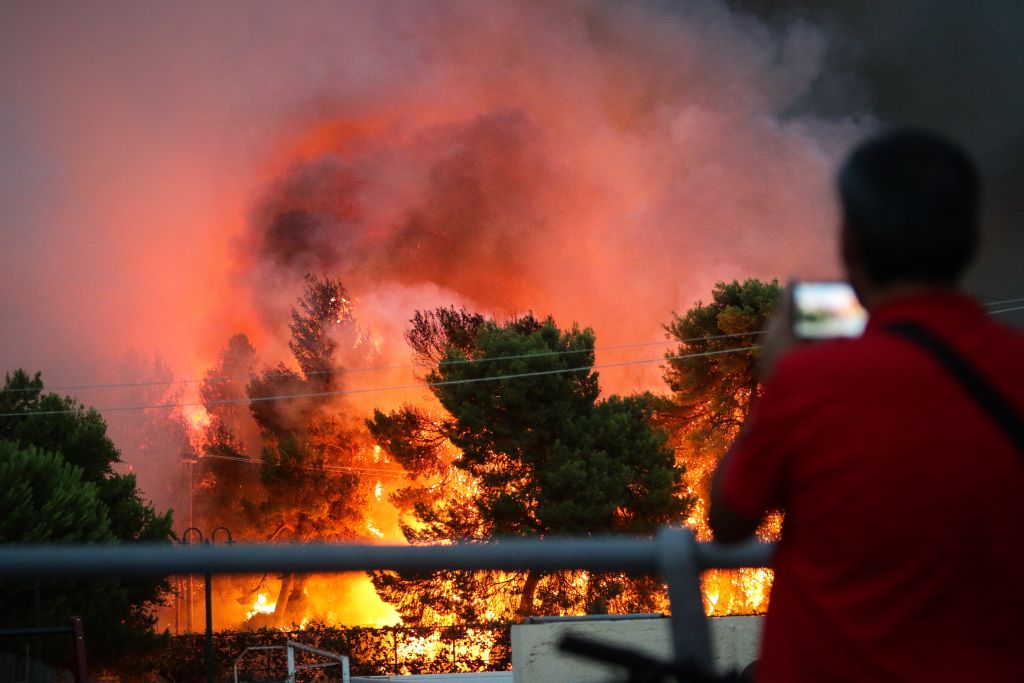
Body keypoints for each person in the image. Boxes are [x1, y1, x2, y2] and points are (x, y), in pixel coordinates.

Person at [709, 129, 1024, 682]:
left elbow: (729, 519)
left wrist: (776, 376)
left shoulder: (810, 382)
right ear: (971, 243)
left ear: (850, 244)